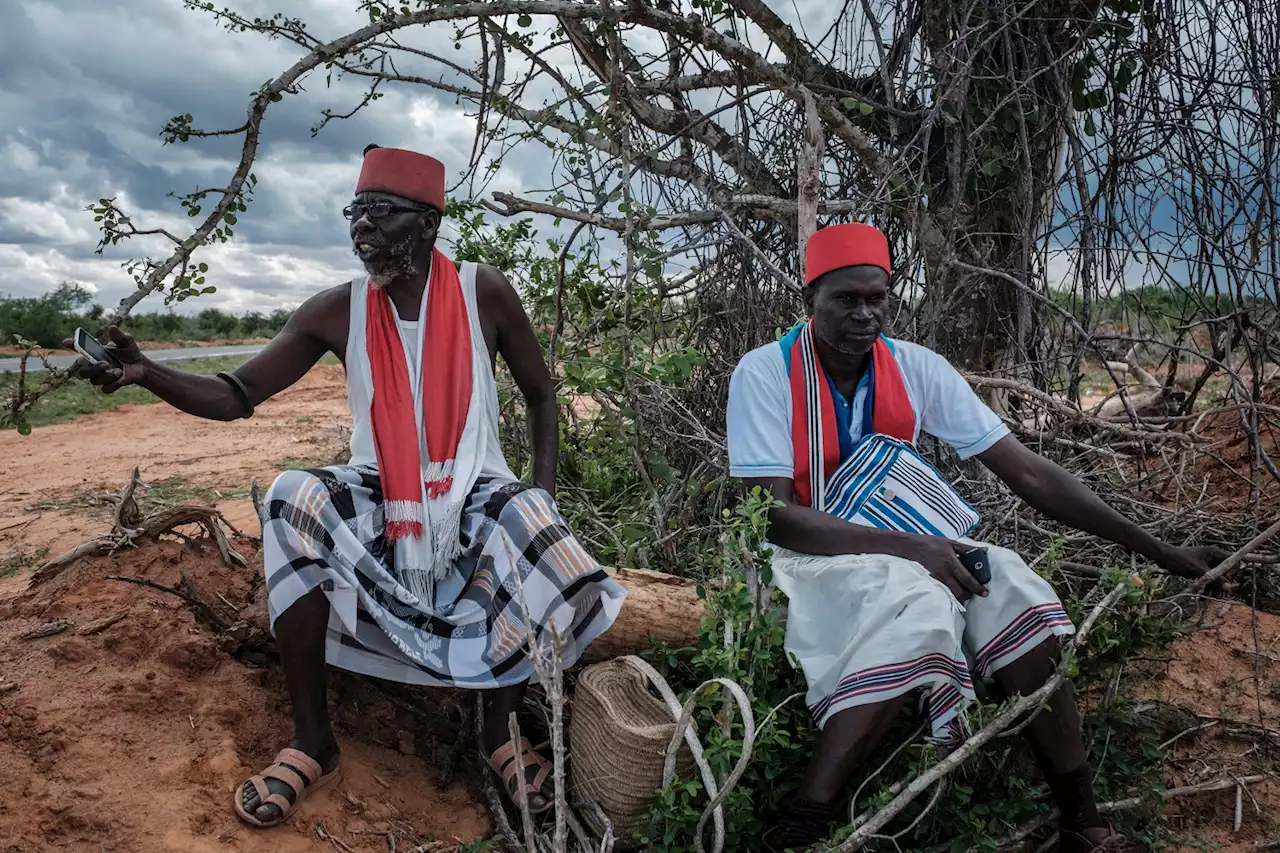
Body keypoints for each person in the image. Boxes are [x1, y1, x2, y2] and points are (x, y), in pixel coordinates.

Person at [74, 145, 627, 827]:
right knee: (290, 498)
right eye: (355, 214)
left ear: (427, 224)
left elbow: (543, 397)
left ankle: (500, 734)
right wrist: (148, 373)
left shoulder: (484, 291)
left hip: (477, 487)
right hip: (383, 490)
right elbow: (237, 392)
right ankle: (313, 739)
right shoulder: (338, 310)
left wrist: (539, 492)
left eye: (380, 213)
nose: (362, 228)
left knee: (532, 523)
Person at [725, 223, 1224, 853]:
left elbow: (1028, 472)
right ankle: (800, 828)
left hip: (902, 549)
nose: (864, 313)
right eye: (845, 300)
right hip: (804, 558)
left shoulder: (914, 368)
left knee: (1010, 581)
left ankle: (1082, 820)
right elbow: (774, 516)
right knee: (923, 600)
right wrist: (916, 550)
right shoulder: (766, 373)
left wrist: (1156, 547)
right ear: (810, 301)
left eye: (876, 297)